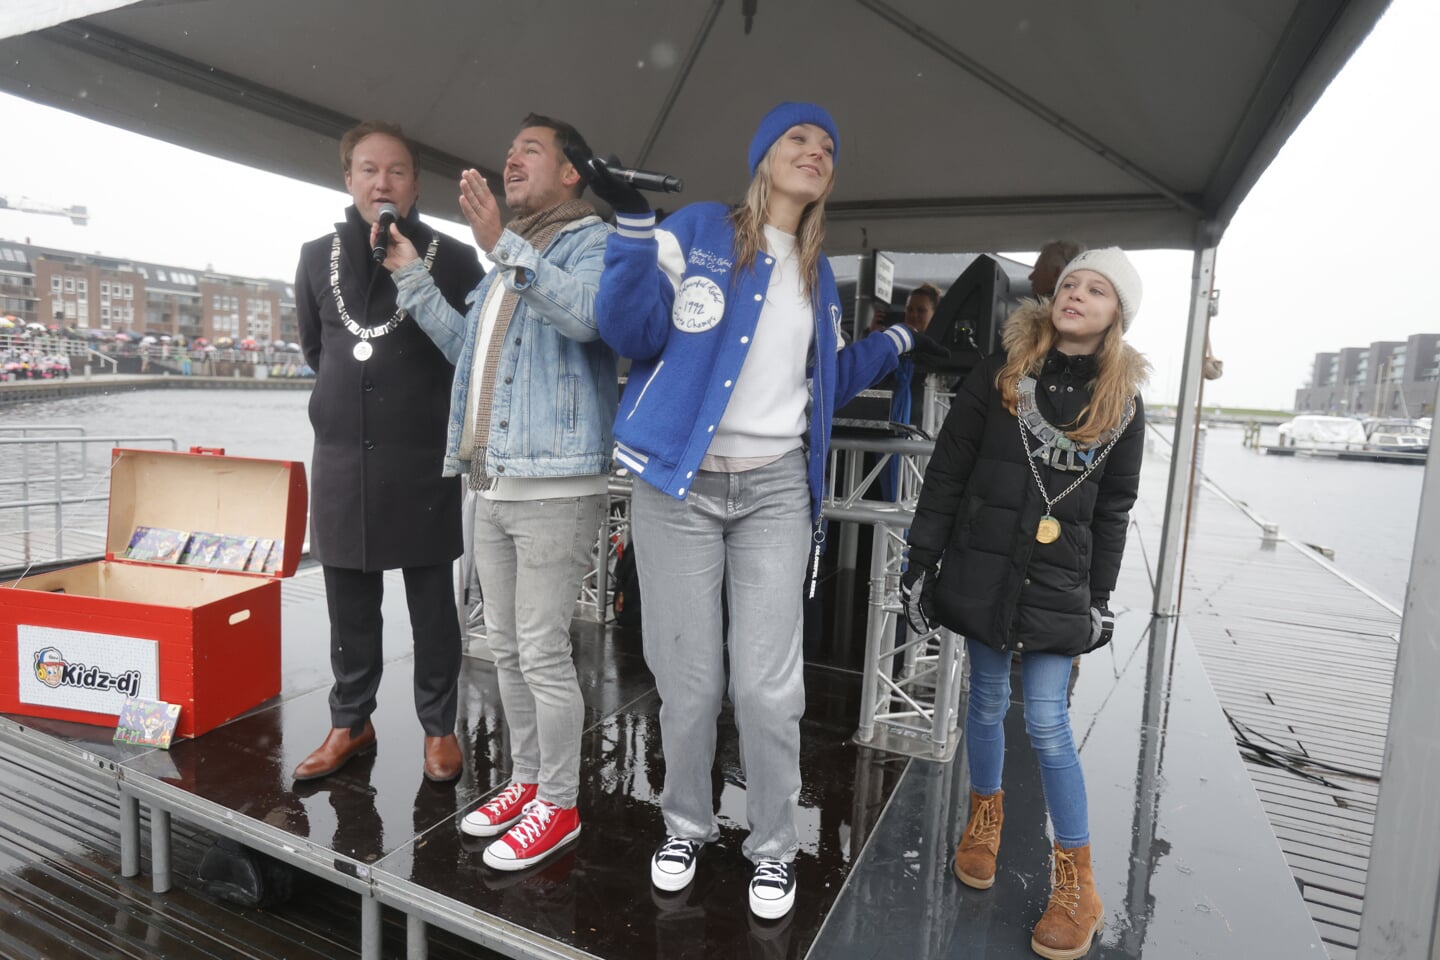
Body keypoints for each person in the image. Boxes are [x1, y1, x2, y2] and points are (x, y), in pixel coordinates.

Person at [577, 101, 933, 920]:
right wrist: (633, 228)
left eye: (827, 146)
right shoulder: (698, 231)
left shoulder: (819, 274)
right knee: (689, 680)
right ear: (764, 156)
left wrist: (897, 345)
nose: (814, 151)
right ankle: (686, 826)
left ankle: (773, 848)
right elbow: (626, 330)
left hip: (775, 488)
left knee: (770, 690)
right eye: (798, 138)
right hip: (680, 484)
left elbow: (825, 385)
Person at [901, 248, 1148, 960]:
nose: (1076, 294)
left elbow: (1116, 510)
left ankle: (1078, 883)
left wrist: (1097, 599)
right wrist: (922, 559)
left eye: (1096, 289)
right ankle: (985, 822)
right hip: (983, 564)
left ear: (1115, 314)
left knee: (1045, 722)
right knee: (982, 699)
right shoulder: (1000, 375)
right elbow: (948, 468)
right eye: (1071, 283)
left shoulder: (1123, 404)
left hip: (1058, 580)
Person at [386, 113, 616, 872]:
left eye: (531, 149)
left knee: (544, 653)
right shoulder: (509, 261)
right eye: (509, 148)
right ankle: (525, 783)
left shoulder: (595, 243)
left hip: (555, 483)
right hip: (491, 478)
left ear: (572, 172)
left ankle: (559, 804)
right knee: (508, 650)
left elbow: (588, 319)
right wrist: (413, 278)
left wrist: (501, 249)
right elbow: (468, 352)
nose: (510, 158)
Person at [293, 120, 483, 785]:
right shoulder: (317, 255)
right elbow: (317, 351)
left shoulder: (453, 257)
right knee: (349, 604)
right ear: (348, 179)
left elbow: (470, 351)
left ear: (414, 183)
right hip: (344, 459)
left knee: (433, 605)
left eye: (397, 171)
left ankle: (438, 726)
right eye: (369, 170)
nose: (383, 182)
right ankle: (352, 720)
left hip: (422, 456)